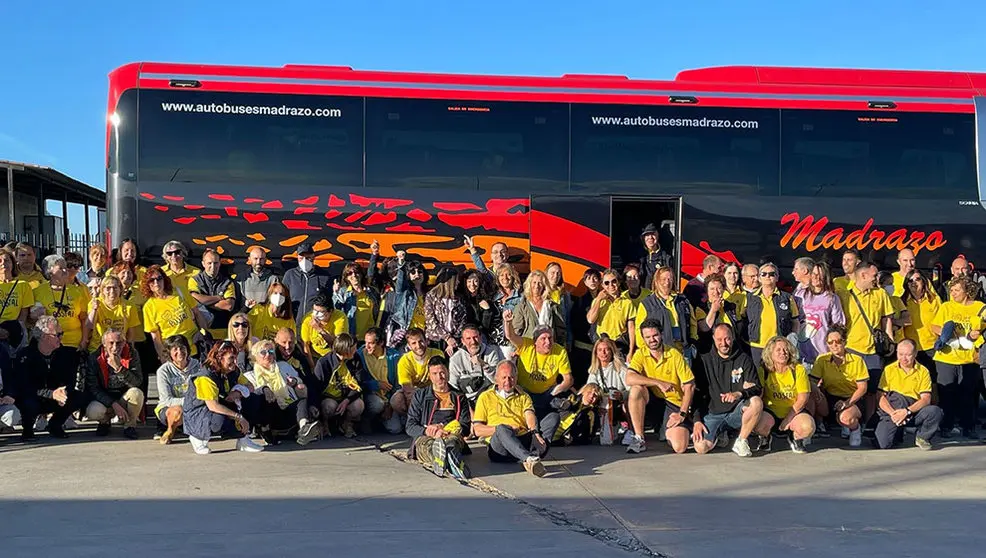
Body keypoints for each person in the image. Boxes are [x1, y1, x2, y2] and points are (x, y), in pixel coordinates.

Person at [692, 324, 769, 457]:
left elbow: (757, 388)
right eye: (719, 339)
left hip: (736, 412)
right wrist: (697, 420)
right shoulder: (704, 360)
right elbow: (696, 393)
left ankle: (741, 441)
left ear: (733, 337)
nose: (724, 343)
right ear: (713, 339)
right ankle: (721, 433)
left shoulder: (744, 359)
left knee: (756, 402)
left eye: (727, 339)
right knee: (701, 447)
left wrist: (739, 394)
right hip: (713, 414)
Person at [624, 318, 697, 454]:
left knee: (679, 447)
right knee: (635, 390)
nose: (652, 340)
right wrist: (658, 382)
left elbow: (690, 386)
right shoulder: (640, 353)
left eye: (655, 335)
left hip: (673, 403)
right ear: (643, 339)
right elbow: (629, 378)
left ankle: (680, 430)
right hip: (653, 401)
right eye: (648, 337)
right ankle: (639, 438)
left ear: (662, 334)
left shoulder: (674, 354)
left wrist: (682, 413)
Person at [182, 340, 265, 454]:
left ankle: (243, 440)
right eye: (231, 358)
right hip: (199, 412)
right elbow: (213, 406)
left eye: (236, 357)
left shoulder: (233, 370)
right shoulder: (206, 377)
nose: (235, 362)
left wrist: (239, 392)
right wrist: (239, 417)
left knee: (253, 399)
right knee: (219, 420)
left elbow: (250, 386)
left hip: (221, 403)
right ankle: (198, 438)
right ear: (219, 357)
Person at [837, 260, 894, 424]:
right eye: (874, 275)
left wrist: (890, 341)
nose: (876, 278)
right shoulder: (844, 295)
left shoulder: (880, 294)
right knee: (852, 388)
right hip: (852, 349)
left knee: (872, 390)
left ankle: (868, 422)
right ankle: (848, 421)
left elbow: (886, 319)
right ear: (863, 275)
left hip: (872, 351)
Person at [471, 360, 549, 478]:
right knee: (502, 428)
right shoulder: (485, 397)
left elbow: (529, 414)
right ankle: (528, 459)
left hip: (522, 438)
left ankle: (532, 453)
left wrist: (535, 433)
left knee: (552, 418)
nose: (507, 381)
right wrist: (504, 430)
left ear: (516, 378)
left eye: (511, 377)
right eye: (504, 377)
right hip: (499, 448)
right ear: (496, 378)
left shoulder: (523, 396)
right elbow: (477, 429)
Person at [11, 316, 83, 440]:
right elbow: (24, 386)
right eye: (57, 334)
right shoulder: (25, 355)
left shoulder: (64, 354)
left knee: (79, 397)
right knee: (28, 401)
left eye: (62, 333)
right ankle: (27, 430)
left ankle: (55, 425)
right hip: (34, 397)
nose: (61, 337)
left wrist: (63, 391)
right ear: (44, 336)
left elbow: (69, 379)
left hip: (55, 396)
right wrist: (51, 394)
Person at [930, 276, 984, 439]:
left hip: (969, 358)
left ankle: (968, 426)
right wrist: (946, 332)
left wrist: (978, 332)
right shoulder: (946, 306)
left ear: (967, 291)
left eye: (957, 290)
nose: (953, 293)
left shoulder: (979, 307)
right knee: (947, 393)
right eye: (951, 290)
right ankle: (946, 425)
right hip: (946, 357)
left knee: (968, 394)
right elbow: (934, 326)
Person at [502, 312, 570, 440]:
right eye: (543, 339)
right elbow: (510, 336)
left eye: (550, 338)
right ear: (535, 341)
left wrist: (554, 391)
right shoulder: (526, 345)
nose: (548, 342)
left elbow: (568, 380)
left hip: (547, 393)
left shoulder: (559, 351)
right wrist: (508, 322)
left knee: (556, 401)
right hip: (524, 392)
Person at [406, 356, 473, 479]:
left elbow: (466, 426)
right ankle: (445, 461)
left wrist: (446, 430)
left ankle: (447, 459)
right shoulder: (420, 396)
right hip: (427, 436)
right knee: (428, 446)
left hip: (450, 434)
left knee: (451, 442)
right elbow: (410, 426)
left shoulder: (459, 396)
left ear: (447, 372)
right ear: (429, 376)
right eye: (435, 373)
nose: (439, 377)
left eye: (442, 372)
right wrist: (428, 430)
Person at [246, 339, 320, 446]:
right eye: (263, 352)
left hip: (288, 407)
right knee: (264, 395)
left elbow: (298, 381)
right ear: (255, 356)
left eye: (271, 352)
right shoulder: (250, 376)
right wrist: (264, 389)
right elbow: (251, 395)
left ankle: (304, 429)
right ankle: (266, 431)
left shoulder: (283, 366)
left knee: (302, 400)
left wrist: (294, 383)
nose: (268, 355)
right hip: (271, 413)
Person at [875, 339, 942, 450]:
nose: (904, 358)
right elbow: (880, 396)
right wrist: (893, 414)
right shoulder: (889, 369)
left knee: (935, 411)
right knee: (883, 444)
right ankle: (897, 432)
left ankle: (922, 437)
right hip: (893, 410)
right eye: (900, 354)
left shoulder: (923, 371)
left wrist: (907, 411)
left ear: (915, 354)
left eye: (908, 355)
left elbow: (926, 399)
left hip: (913, 410)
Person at [808, 325, 868, 447]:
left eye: (838, 341)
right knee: (808, 395)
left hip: (852, 398)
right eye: (830, 342)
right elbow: (812, 380)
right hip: (830, 397)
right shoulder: (822, 359)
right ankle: (812, 429)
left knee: (846, 417)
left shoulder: (857, 360)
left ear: (845, 342)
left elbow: (862, 387)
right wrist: (816, 391)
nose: (834, 345)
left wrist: (847, 403)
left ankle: (855, 429)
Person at [758, 335, 815, 454]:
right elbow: (760, 395)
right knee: (756, 423)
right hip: (771, 412)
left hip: (794, 412)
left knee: (807, 427)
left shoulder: (798, 370)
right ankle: (765, 436)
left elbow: (803, 398)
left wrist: (787, 420)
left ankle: (795, 437)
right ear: (770, 353)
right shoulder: (763, 370)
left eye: (785, 349)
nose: (783, 353)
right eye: (778, 350)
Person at [142, 264, 208, 363]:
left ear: (164, 279)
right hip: (174, 352)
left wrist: (204, 334)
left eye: (159, 278)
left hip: (194, 346)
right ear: (147, 284)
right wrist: (163, 357)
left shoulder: (180, 291)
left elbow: (197, 314)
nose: (156, 283)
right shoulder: (149, 307)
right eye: (152, 280)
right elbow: (156, 338)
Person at [85, 329, 144, 440]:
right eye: (111, 343)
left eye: (119, 342)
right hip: (105, 398)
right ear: (104, 344)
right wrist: (113, 404)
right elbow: (93, 388)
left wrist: (119, 368)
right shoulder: (95, 358)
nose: (115, 346)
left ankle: (130, 426)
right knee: (93, 411)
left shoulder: (132, 354)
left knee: (137, 393)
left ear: (125, 342)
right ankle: (104, 422)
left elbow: (137, 382)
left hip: (124, 396)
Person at [628, 266, 696, 360]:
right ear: (656, 281)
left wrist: (693, 341)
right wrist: (645, 348)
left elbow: (693, 323)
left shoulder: (683, 300)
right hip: (660, 353)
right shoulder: (646, 303)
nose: (667, 283)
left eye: (670, 279)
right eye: (663, 279)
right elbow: (639, 329)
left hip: (683, 352)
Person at [307, 333, 365, 438]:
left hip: (347, 396)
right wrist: (314, 406)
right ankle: (325, 424)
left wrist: (347, 400)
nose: (356, 350)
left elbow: (359, 383)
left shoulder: (355, 359)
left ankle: (346, 423)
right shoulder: (324, 362)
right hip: (329, 397)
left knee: (358, 405)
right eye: (354, 348)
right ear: (346, 350)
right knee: (329, 406)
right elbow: (315, 387)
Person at [33, 254, 91, 352]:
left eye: (66, 268)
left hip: (73, 344)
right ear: (50, 271)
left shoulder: (77, 291)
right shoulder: (38, 292)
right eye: (61, 268)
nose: (65, 271)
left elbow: (84, 318)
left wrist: (84, 340)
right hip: (50, 344)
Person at [746, 262, 800, 366]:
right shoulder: (749, 298)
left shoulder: (787, 298)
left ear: (777, 277)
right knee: (759, 378)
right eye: (764, 274)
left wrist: (792, 339)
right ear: (759, 278)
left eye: (772, 274)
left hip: (778, 348)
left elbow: (795, 321)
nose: (767, 276)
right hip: (756, 347)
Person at [796, 262, 845, 365]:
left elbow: (838, 325)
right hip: (802, 351)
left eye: (820, 275)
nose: (816, 277)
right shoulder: (800, 294)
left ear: (826, 277)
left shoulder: (832, 298)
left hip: (823, 351)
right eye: (814, 274)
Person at [154, 334, 200, 444]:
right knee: (177, 411)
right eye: (175, 349)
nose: (179, 352)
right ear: (169, 353)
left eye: (182, 348)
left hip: (195, 407)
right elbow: (166, 400)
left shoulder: (198, 366)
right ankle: (170, 430)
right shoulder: (163, 371)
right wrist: (191, 401)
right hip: (170, 408)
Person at [378, 250, 428, 348]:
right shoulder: (404, 293)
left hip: (425, 338)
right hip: (407, 338)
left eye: (420, 272)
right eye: (413, 272)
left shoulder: (429, 295)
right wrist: (401, 262)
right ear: (408, 275)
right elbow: (400, 281)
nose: (417, 275)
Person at [357, 327, 402, 434]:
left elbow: (398, 383)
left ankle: (381, 420)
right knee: (377, 404)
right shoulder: (359, 355)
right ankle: (366, 420)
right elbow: (358, 381)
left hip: (388, 397)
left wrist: (390, 406)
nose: (367, 346)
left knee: (395, 429)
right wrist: (375, 385)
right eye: (366, 342)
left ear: (381, 343)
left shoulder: (394, 356)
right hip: (369, 395)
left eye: (371, 343)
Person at [391, 328, 444, 416]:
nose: (418, 346)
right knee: (396, 400)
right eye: (414, 343)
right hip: (413, 392)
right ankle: (410, 420)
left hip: (433, 390)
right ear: (408, 346)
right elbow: (407, 389)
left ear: (426, 341)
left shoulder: (437, 354)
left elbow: (442, 381)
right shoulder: (404, 361)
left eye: (421, 341)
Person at [448, 323, 503, 405]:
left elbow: (497, 381)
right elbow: (453, 386)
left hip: (488, 399)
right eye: (468, 338)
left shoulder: (491, 352)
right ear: (463, 341)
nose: (473, 342)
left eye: (475, 337)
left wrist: (483, 364)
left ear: (480, 338)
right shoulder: (455, 359)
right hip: (466, 401)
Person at [187, 249, 236, 339]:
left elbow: (228, 306)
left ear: (220, 263)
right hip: (200, 331)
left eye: (216, 263)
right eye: (209, 263)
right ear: (203, 264)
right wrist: (218, 297)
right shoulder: (194, 280)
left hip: (222, 330)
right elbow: (193, 298)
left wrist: (202, 302)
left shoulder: (228, 282)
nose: (213, 266)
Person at [901, 269, 941, 377]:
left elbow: (942, 321)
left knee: (933, 381)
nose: (914, 283)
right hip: (911, 349)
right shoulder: (902, 301)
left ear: (923, 281)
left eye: (917, 279)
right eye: (910, 281)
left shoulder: (934, 299)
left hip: (932, 347)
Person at [281, 242, 331, 327]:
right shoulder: (290, 275)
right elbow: (283, 298)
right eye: (301, 258)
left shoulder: (324, 276)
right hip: (292, 324)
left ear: (313, 257)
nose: (304, 261)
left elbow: (327, 303)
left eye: (308, 257)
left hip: (314, 325)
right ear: (297, 257)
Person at [86, 276, 140, 353]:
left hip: (120, 348)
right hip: (98, 348)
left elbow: (131, 334)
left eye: (115, 288)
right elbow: (89, 325)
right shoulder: (95, 303)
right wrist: (94, 309)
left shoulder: (129, 306)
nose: (112, 291)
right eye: (108, 288)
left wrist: (130, 351)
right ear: (102, 290)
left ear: (120, 289)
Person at [511, 269, 566, 344]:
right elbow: (516, 330)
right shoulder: (522, 306)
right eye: (534, 282)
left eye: (540, 283)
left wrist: (561, 345)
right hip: (529, 348)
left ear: (544, 286)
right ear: (529, 284)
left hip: (549, 346)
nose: (536, 286)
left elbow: (560, 329)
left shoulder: (552, 305)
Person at [586, 268, 634, 353]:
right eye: (607, 283)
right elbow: (590, 320)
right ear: (603, 285)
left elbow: (631, 329)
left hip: (620, 346)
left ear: (618, 282)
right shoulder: (598, 301)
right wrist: (598, 299)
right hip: (603, 346)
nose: (611, 285)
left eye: (614, 281)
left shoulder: (627, 302)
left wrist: (631, 351)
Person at [694, 274, 744, 354]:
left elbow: (739, 328)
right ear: (707, 290)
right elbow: (704, 328)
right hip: (710, 352)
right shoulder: (701, 308)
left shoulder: (732, 306)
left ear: (724, 289)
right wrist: (713, 310)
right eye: (712, 289)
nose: (716, 292)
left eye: (719, 288)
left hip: (732, 349)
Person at [424, 265, 468, 356]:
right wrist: (447, 338)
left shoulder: (459, 298)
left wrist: (453, 340)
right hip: (435, 341)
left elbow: (463, 320)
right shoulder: (431, 296)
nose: (458, 282)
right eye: (456, 280)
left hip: (455, 340)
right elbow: (431, 321)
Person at [333, 261, 380, 340]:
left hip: (369, 337)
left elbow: (377, 312)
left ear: (361, 274)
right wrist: (335, 293)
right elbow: (336, 310)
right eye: (350, 273)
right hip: (351, 336)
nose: (354, 275)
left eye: (356, 272)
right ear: (346, 277)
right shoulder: (343, 291)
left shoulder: (372, 291)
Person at [0, 246, 35, 350]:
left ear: (12, 263)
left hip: (15, 332)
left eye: (7, 260)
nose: (3, 263)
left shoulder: (23, 285)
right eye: (0, 261)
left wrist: (12, 331)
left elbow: (23, 314)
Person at [299, 293, 348, 366]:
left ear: (330, 311)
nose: (316, 314)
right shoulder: (308, 319)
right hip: (315, 357)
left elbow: (338, 344)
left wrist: (319, 329)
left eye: (320, 312)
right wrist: (312, 366)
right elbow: (306, 345)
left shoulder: (340, 318)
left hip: (334, 356)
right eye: (315, 310)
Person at [462, 269, 500, 342]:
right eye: (469, 281)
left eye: (475, 281)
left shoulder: (486, 299)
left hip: (480, 335)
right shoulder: (461, 299)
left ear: (480, 283)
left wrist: (487, 310)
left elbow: (486, 327)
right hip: (463, 335)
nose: (472, 284)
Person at [239, 246, 279, 310]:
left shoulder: (273, 279)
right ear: (249, 259)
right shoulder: (241, 278)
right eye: (255, 258)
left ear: (265, 260)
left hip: (266, 317)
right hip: (247, 316)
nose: (258, 262)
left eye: (261, 259)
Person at [545, 262, 574, 350]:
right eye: (552, 273)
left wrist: (569, 340)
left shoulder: (565, 294)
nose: (556, 276)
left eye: (558, 273)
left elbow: (568, 318)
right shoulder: (541, 293)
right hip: (545, 336)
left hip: (560, 337)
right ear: (546, 274)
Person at [638, 222, 674, 290]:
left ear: (658, 235)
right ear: (643, 238)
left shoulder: (666, 257)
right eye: (647, 235)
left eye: (653, 234)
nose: (650, 237)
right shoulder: (639, 256)